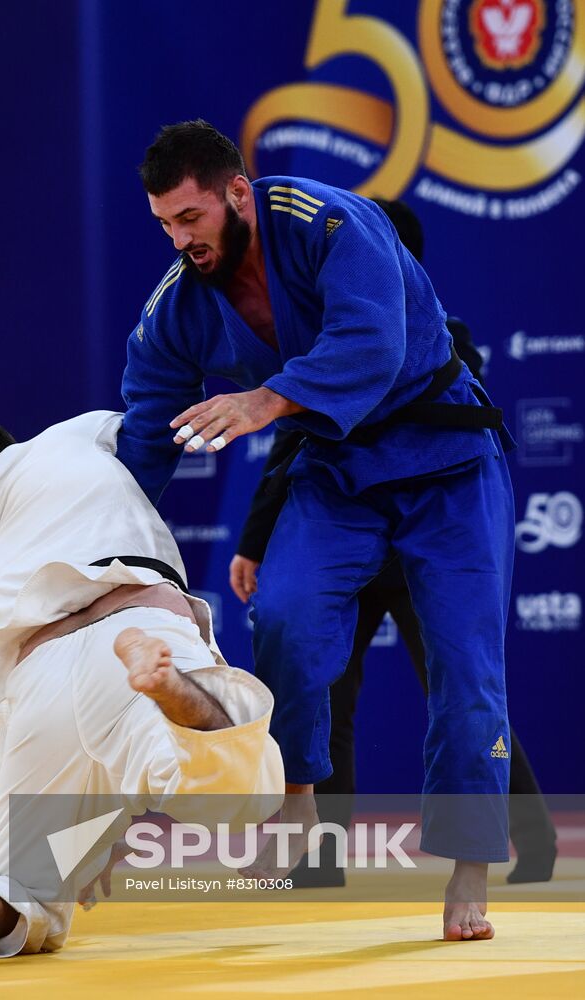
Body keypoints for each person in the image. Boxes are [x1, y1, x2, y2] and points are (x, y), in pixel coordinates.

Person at [117, 120, 515, 941]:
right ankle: (298, 792)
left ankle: (469, 862)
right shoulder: (180, 306)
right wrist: (87, 541)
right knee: (287, 619)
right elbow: (146, 438)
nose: (179, 238)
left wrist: (263, 401)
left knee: (467, 672)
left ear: (236, 193)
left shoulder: (326, 218)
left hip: (445, 463)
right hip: (338, 479)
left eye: (190, 218)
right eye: (163, 223)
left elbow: (375, 341)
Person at [229, 199, 557, 888]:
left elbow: (461, 433)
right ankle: (319, 858)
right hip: (346, 534)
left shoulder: (444, 336)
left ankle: (531, 837)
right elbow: (293, 443)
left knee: (463, 683)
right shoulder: (319, 342)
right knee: (326, 691)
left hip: (428, 541)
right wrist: (257, 543)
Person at [0, 410, 284, 968]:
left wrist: (83, 833)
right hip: (136, 622)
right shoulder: (71, 435)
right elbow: (152, 415)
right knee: (235, 796)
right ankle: (175, 693)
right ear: (9, 441)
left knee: (24, 887)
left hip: (36, 669)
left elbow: (9, 730)